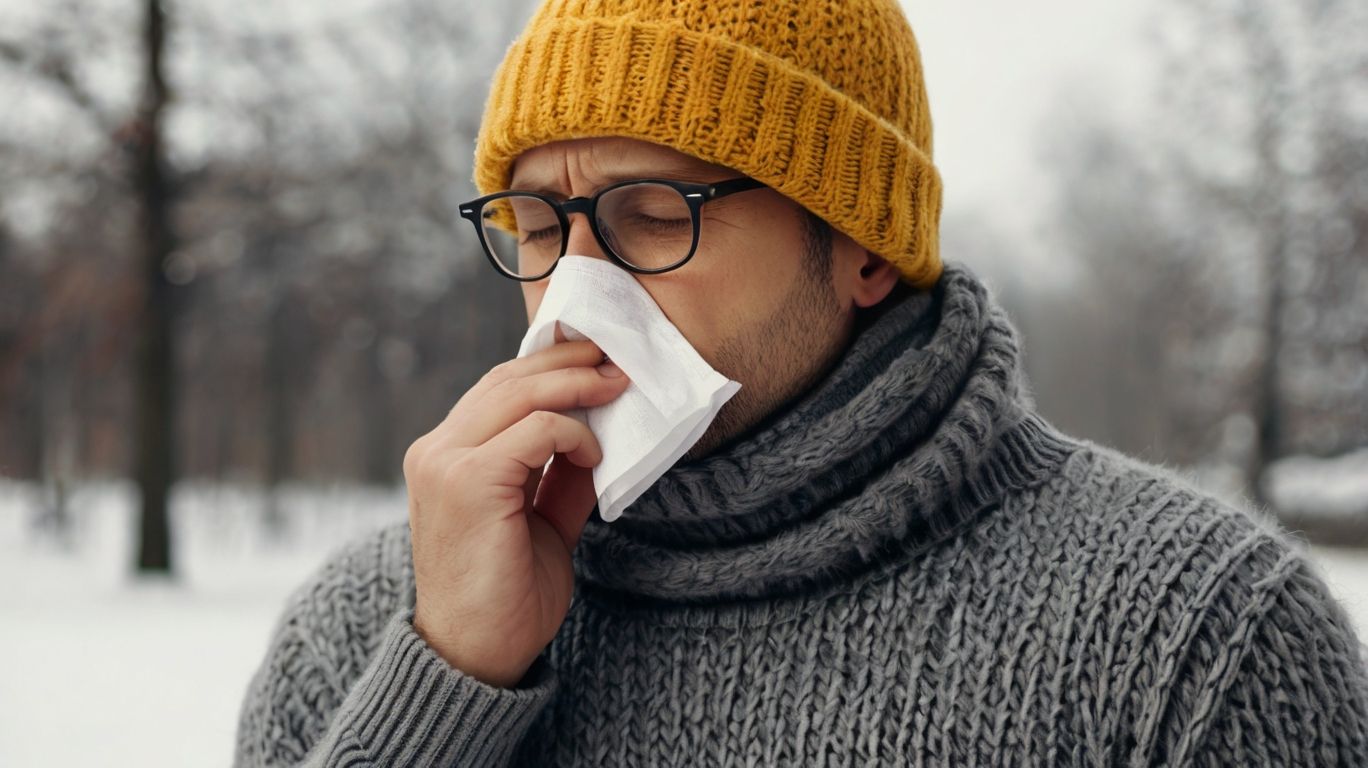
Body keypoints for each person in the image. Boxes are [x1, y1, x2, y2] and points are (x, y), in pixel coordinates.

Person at [234, 0, 1368, 765]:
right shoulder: (368, 624)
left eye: (651, 215)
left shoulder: (1196, 636)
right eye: (535, 225)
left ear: (863, 246)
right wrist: (443, 690)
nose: (574, 290)